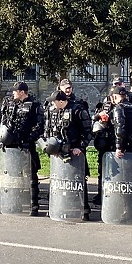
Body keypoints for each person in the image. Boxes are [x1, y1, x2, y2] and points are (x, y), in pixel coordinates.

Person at [0, 81, 45, 216]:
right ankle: (15, 203)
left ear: (22, 92)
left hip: (26, 146)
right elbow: (4, 121)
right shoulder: (10, 103)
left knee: (31, 176)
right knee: (13, 176)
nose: (13, 93)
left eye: (15, 91)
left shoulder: (34, 106)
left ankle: (33, 205)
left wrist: (28, 139)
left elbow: (39, 125)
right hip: (11, 146)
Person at [45, 90, 92, 221]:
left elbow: (88, 131)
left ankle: (84, 210)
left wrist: (80, 147)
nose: (52, 104)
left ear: (61, 101)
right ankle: (58, 208)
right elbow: (49, 130)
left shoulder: (77, 110)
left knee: (78, 182)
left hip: (75, 152)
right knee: (58, 181)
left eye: (54, 101)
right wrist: (51, 147)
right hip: (58, 153)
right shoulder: (53, 111)